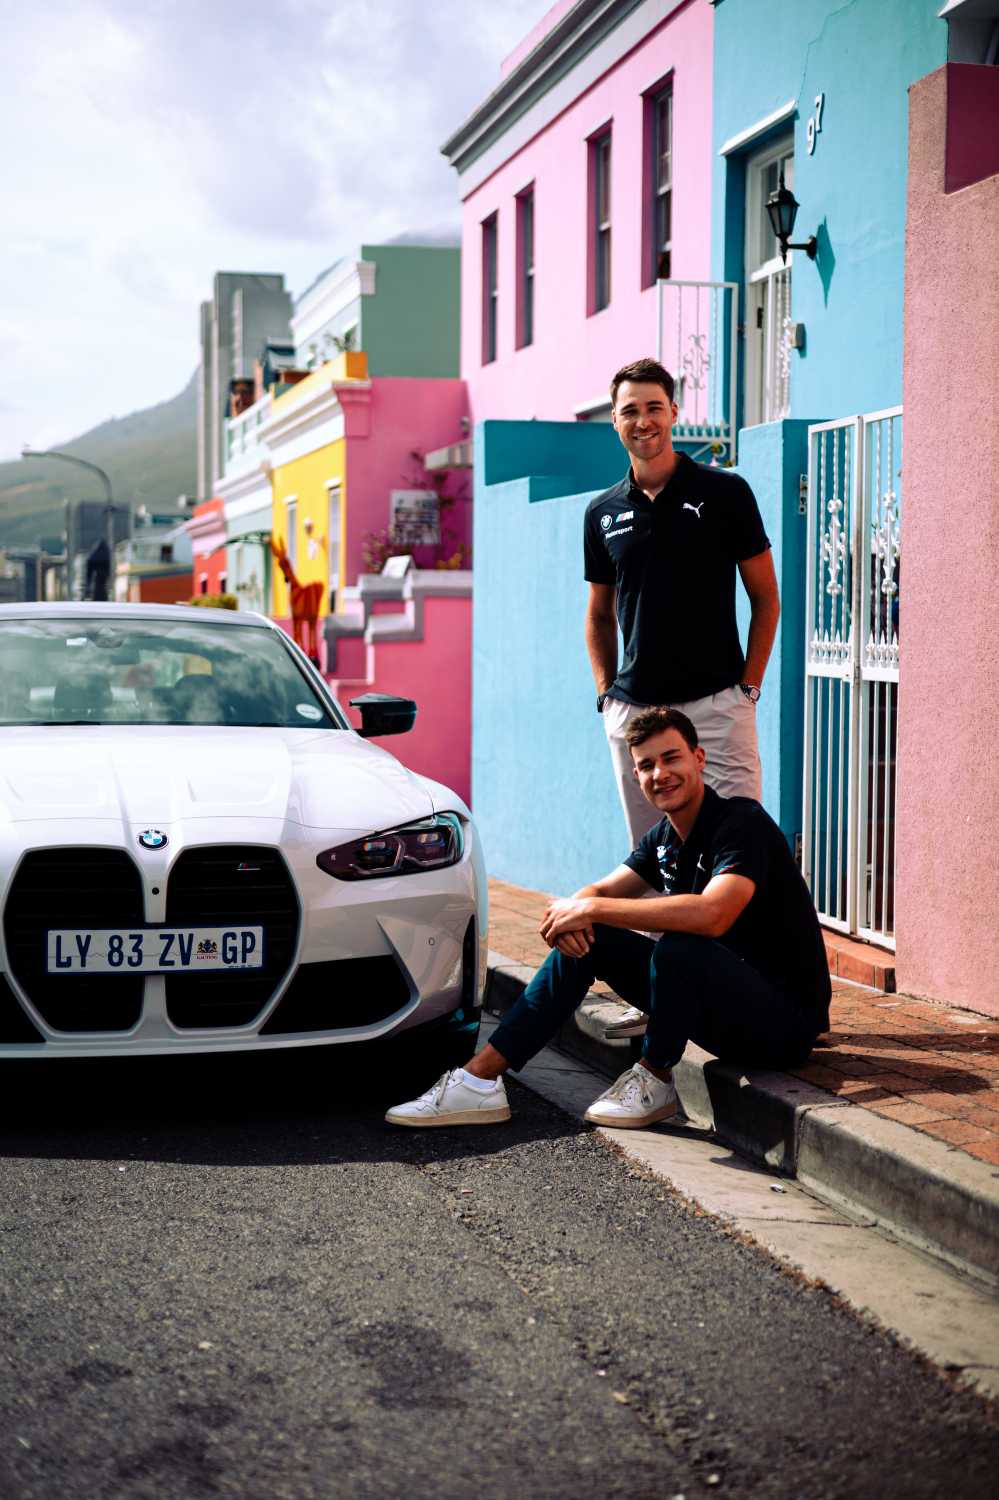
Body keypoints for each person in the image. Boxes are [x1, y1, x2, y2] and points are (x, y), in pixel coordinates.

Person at [386, 708, 830, 1131]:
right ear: (635, 776)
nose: (661, 774)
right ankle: (479, 1081)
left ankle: (655, 1076)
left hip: (782, 1027)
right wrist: (572, 916)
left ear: (699, 758)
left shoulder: (741, 823)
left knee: (679, 945)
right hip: (723, 1012)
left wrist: (589, 909)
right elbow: (596, 893)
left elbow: (714, 914)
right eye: (647, 765)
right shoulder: (664, 839)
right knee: (594, 935)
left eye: (672, 757)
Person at [585, 357, 780, 849]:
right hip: (635, 713)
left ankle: (736, 932)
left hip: (718, 707)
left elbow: (765, 598)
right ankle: (663, 933)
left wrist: (747, 691)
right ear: (614, 419)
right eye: (630, 410)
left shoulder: (726, 493)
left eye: (654, 407)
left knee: (740, 848)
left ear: (673, 412)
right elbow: (599, 614)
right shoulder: (602, 512)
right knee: (655, 858)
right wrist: (607, 696)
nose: (643, 420)